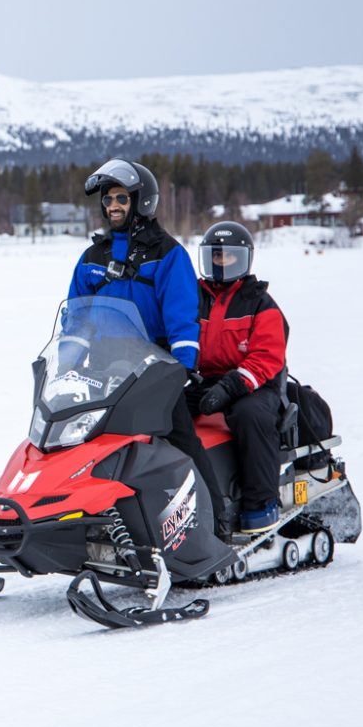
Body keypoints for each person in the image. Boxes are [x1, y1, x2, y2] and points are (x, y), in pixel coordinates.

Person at [68, 159, 208, 474]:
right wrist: (67, 363)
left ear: (140, 201)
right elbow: (76, 319)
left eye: (121, 198)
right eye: (108, 199)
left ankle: (216, 517)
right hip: (102, 368)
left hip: (154, 370)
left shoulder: (167, 253)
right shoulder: (92, 257)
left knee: (181, 440)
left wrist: (183, 367)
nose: (113, 206)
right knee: (79, 441)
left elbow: (182, 316)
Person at [191, 220, 289, 533]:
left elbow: (267, 356)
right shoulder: (193, 297)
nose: (221, 263)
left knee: (250, 416)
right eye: (215, 256)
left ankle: (261, 505)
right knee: (161, 409)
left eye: (229, 256)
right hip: (203, 378)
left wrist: (232, 386)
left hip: (254, 384)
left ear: (244, 259)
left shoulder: (260, 303)